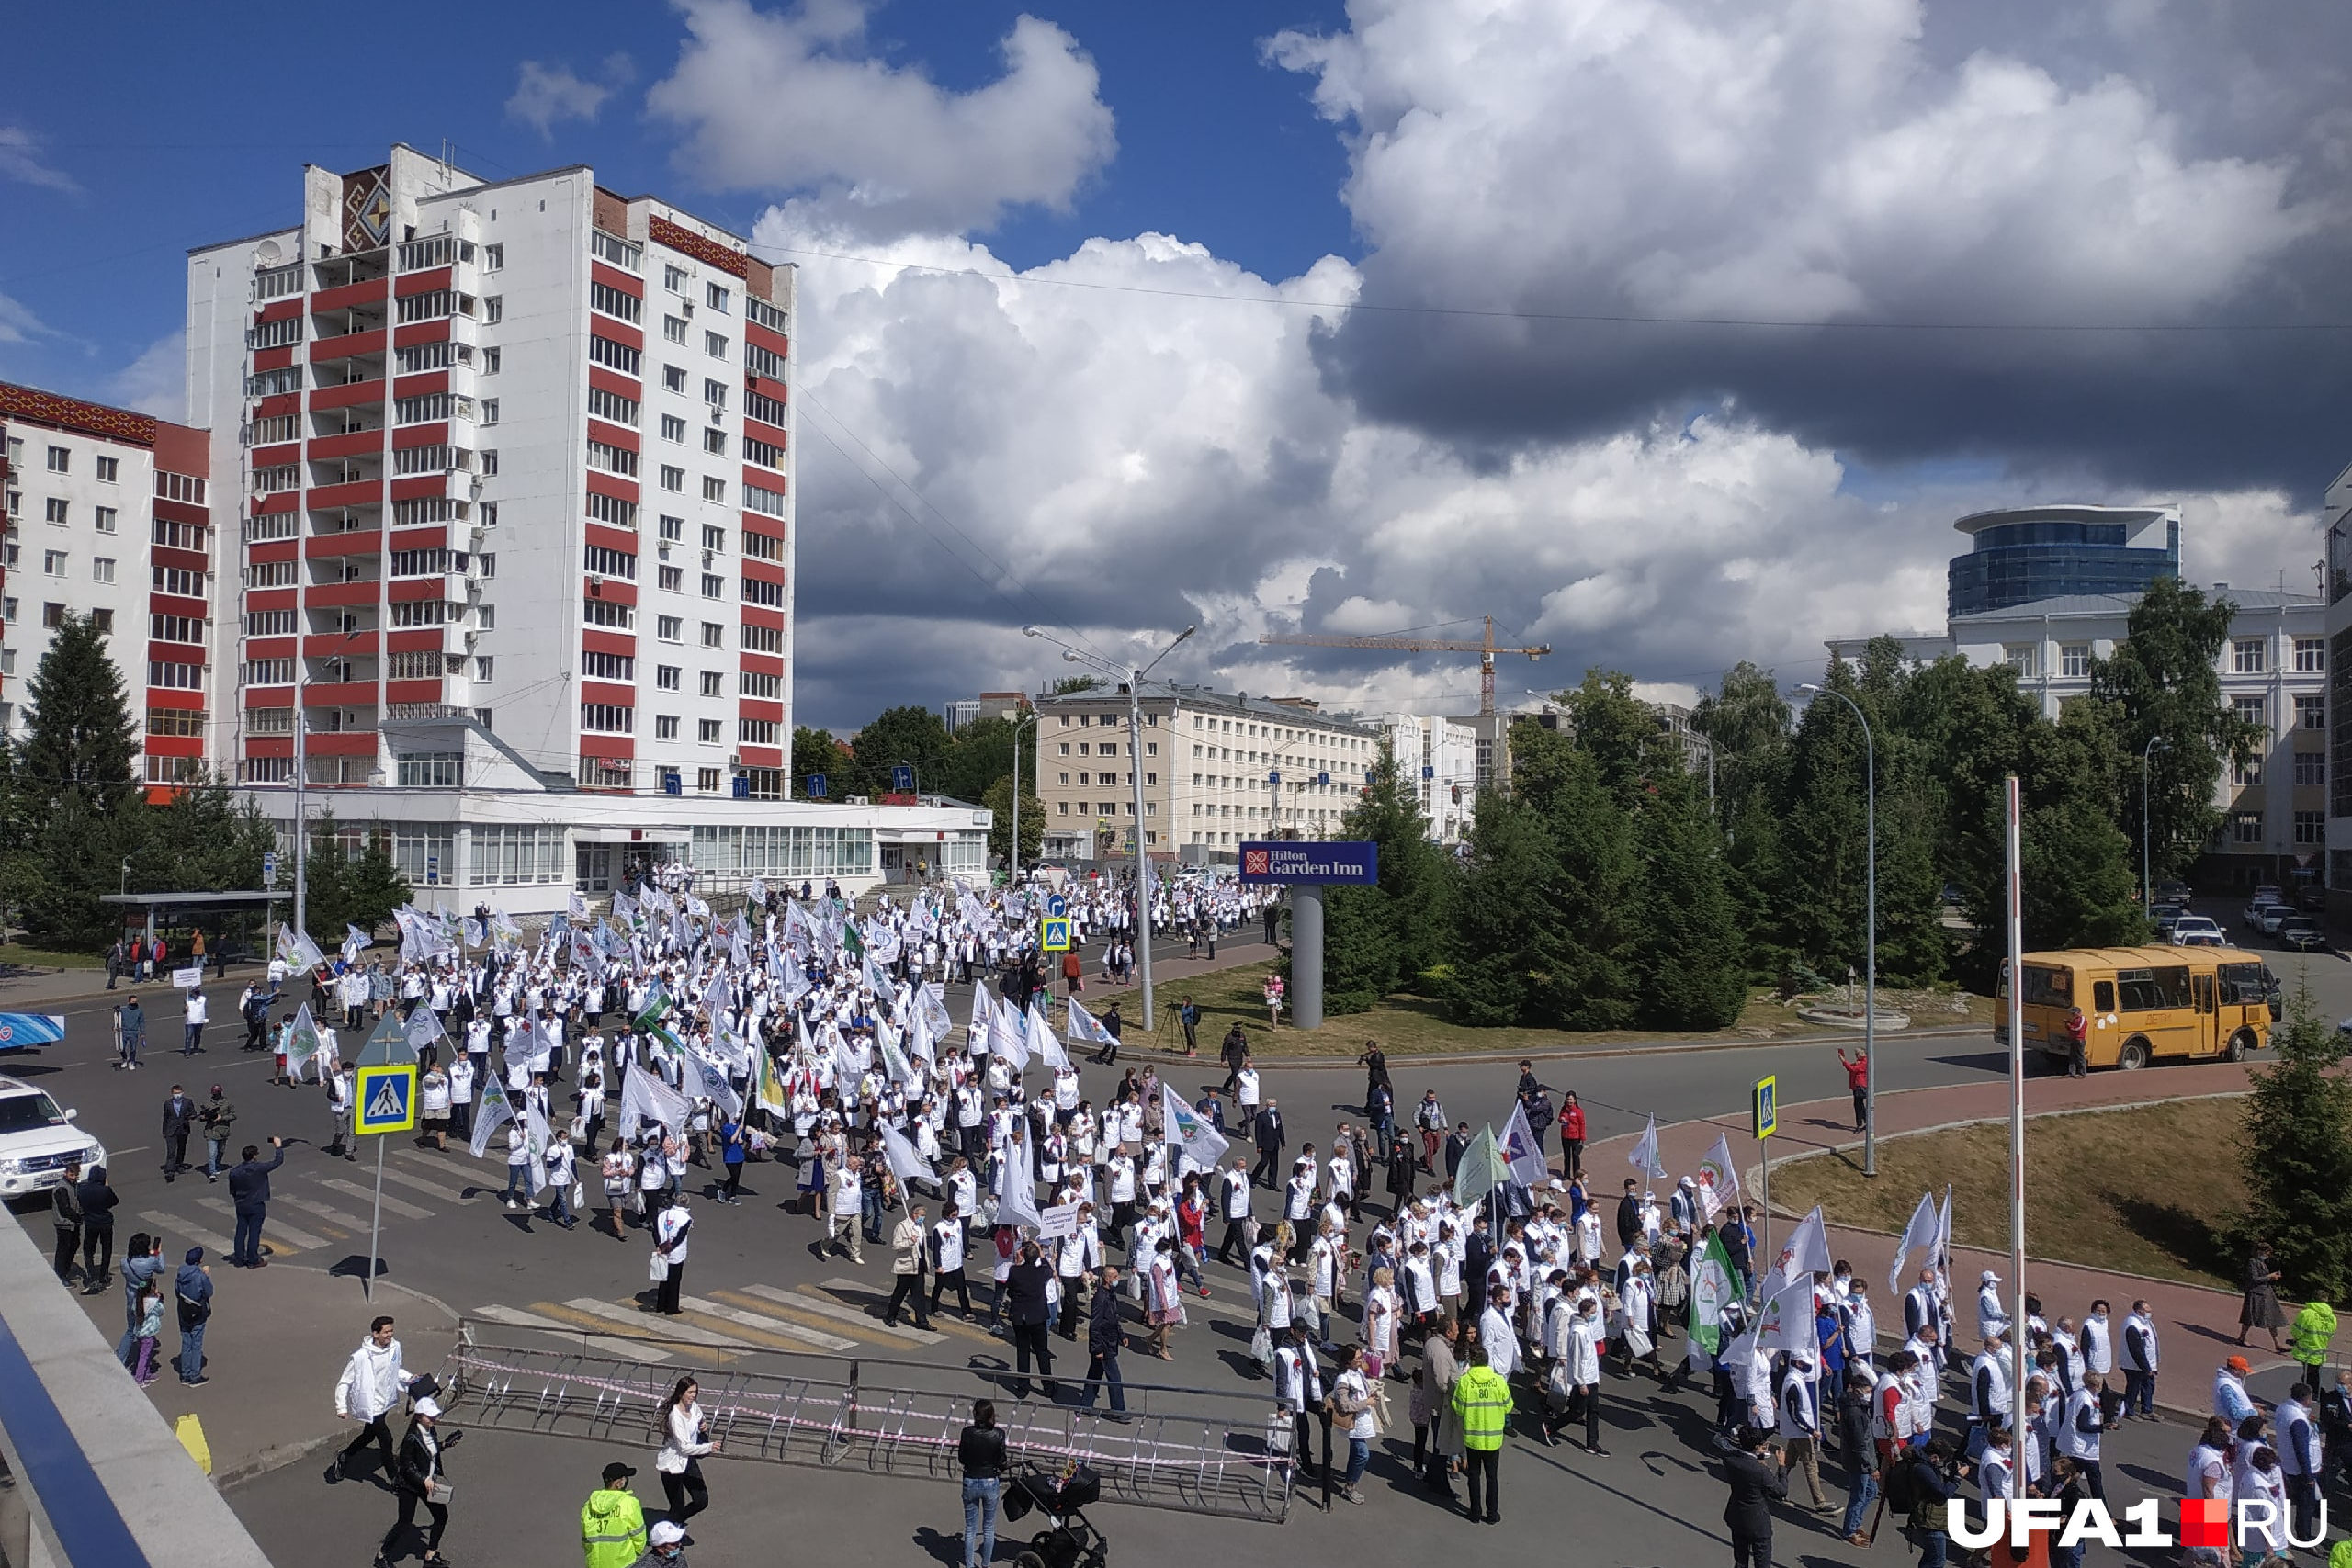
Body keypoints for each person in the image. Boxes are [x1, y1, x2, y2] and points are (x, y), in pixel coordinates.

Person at [331, 1315, 416, 1483]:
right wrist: (341, 1407)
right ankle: (394, 1478)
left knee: (369, 1435)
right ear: (375, 1334)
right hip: (371, 1406)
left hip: (385, 1402)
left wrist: (410, 1378)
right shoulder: (361, 1357)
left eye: (392, 1331)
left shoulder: (395, 1347)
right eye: (386, 1332)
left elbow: (396, 1370)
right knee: (386, 1440)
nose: (390, 1335)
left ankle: (344, 1455)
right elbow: (344, 1382)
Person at [377, 1394, 456, 1568]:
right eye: (430, 1416)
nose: (433, 1419)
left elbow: (429, 1451)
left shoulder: (430, 1430)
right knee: (405, 1522)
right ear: (419, 1416)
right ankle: (382, 1555)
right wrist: (424, 1479)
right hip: (410, 1487)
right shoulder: (411, 1439)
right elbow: (406, 1467)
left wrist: (444, 1444)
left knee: (441, 1517)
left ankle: (430, 1555)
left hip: (428, 1485)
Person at [1452, 1335, 1513, 1523]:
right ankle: (1492, 1513)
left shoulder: (1465, 1382)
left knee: (1474, 1476)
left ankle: (1475, 1512)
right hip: (1494, 1438)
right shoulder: (1498, 1381)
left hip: (1473, 1437)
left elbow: (1458, 1407)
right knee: (1492, 1477)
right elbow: (1508, 1406)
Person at [653, 1375, 718, 1530]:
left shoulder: (693, 1406)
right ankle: (666, 1536)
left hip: (688, 1461)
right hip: (672, 1465)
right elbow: (684, 1447)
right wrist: (709, 1447)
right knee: (677, 1505)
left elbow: (700, 1418)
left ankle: (674, 1524)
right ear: (681, 1393)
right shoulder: (675, 1417)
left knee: (701, 1500)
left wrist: (704, 1425)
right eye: (690, 1392)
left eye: (695, 1392)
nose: (693, 1395)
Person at [1723, 1424, 1787, 1568]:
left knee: (1740, 1562)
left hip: (1737, 1516)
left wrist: (1759, 1456)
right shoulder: (1761, 1471)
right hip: (1758, 1523)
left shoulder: (1730, 1460)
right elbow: (1781, 1491)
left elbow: (1749, 1464)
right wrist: (1781, 1465)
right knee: (1762, 1563)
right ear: (1758, 1446)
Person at [1005, 1238, 1057, 1398]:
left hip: (1020, 1316)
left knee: (1023, 1351)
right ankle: (1048, 1386)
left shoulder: (1015, 1271)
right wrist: (1042, 1255)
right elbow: (1050, 1270)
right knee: (1041, 1351)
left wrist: (1018, 1262)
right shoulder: (1041, 1271)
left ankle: (1023, 1387)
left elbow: (1010, 1290)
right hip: (1037, 1316)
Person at [957, 1400, 1006, 1568]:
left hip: (970, 1479)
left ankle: (969, 1565)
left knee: (970, 1528)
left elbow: (962, 1458)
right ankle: (986, 1565)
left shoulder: (967, 1433)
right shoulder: (998, 1435)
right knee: (989, 1527)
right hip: (990, 1481)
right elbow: (1002, 1462)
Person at [225, 1137, 287, 1267]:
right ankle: (253, 1259)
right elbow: (278, 1161)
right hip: (256, 1204)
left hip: (241, 1204)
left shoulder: (234, 1172)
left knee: (241, 1230)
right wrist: (278, 1147)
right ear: (254, 1156)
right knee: (254, 1232)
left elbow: (232, 1190)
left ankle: (239, 1257)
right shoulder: (258, 1168)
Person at [582, 1461, 649, 1568]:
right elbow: (639, 1535)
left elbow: (585, 1536)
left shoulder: (589, 1504)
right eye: (625, 1478)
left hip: (595, 1563)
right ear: (619, 1483)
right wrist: (636, 1552)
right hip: (623, 1563)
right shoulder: (629, 1503)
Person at [1083, 1262, 1128, 1416]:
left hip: (1109, 1341)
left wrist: (1121, 1335)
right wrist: (1097, 1348)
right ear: (1107, 1279)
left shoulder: (1110, 1295)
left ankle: (1085, 1405)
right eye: (1115, 1277)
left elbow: (1113, 1318)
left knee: (1094, 1375)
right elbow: (1095, 1324)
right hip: (1104, 1344)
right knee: (1114, 1378)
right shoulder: (1101, 1298)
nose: (1118, 1279)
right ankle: (1118, 1411)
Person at [884, 1201, 932, 1330]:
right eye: (921, 1215)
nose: (923, 1217)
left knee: (919, 1295)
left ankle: (922, 1321)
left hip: (919, 1265)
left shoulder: (921, 1227)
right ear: (914, 1215)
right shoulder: (902, 1227)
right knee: (900, 1293)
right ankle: (890, 1316)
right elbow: (896, 1245)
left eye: (924, 1215)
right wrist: (909, 1242)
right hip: (907, 1266)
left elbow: (923, 1246)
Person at [2238, 1240, 2287, 1353]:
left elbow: (2263, 1277)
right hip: (2255, 1292)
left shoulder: (2263, 1263)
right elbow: (2254, 1279)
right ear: (2259, 1251)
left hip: (2266, 1293)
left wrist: (2273, 1277)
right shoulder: (2252, 1262)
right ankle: (2242, 1337)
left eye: (2268, 1253)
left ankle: (2277, 1343)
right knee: (2250, 1316)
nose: (2267, 1255)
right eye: (2266, 1252)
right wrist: (2270, 1277)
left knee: (2271, 1317)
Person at [173, 1247, 212, 1386]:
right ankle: (195, 1375)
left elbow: (177, 1291)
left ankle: (185, 1374)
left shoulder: (180, 1273)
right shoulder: (200, 1276)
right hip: (197, 1312)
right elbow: (209, 1292)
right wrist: (207, 1276)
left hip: (183, 1311)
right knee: (196, 1343)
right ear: (199, 1260)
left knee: (186, 1342)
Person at [77, 1165, 118, 1291]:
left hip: (90, 1223)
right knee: (106, 1249)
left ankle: (91, 1277)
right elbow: (114, 1201)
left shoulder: (82, 1190)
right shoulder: (105, 1190)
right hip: (105, 1223)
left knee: (88, 1250)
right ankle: (103, 1277)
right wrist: (106, 1187)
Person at [652, 1192, 692, 1316]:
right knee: (674, 1280)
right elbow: (680, 1237)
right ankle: (671, 1307)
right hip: (676, 1253)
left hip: (662, 1250)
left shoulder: (663, 1214)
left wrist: (660, 1245)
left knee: (663, 1278)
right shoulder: (685, 1218)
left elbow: (655, 1232)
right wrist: (670, 1248)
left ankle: (660, 1305)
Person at [2290, 1297, 2336, 1393]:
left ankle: (2314, 1396)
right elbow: (2330, 1336)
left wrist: (2296, 1340)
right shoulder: (2332, 1318)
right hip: (2320, 1353)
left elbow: (2296, 1332)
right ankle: (2316, 1395)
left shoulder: (2306, 1314)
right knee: (2313, 1375)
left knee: (2308, 1377)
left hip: (2305, 1352)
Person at [50, 1159, 83, 1284]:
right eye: (72, 1175)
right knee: (64, 1249)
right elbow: (65, 1209)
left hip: (72, 1223)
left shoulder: (73, 1185)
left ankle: (64, 1271)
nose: (74, 1177)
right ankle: (60, 1274)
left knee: (73, 1245)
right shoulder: (61, 1188)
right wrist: (79, 1218)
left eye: (76, 1175)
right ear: (66, 1173)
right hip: (64, 1224)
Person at [160, 1084, 196, 1179]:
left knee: (181, 1148)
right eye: (175, 1093)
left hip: (183, 1129)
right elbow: (166, 1117)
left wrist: (190, 1116)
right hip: (171, 1130)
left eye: (179, 1093)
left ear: (182, 1092)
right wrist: (164, 1130)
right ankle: (170, 1170)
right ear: (172, 1094)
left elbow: (193, 1113)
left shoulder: (188, 1102)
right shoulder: (168, 1104)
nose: (177, 1095)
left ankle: (179, 1164)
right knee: (171, 1151)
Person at [199, 1085, 235, 1180]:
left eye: (218, 1092)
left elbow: (233, 1115)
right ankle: (212, 1172)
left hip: (222, 1131)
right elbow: (201, 1116)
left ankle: (217, 1164)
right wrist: (205, 1117)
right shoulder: (207, 1103)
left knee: (221, 1151)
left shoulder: (227, 1103)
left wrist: (222, 1118)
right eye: (215, 1093)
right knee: (212, 1153)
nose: (216, 1094)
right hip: (211, 1131)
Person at [1836, 1045, 1871, 1130]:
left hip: (1860, 1086)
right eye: (1855, 1053)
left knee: (1858, 1105)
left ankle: (1860, 1124)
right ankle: (1865, 1122)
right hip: (1856, 1086)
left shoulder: (1864, 1062)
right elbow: (1850, 1068)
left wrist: (1843, 1060)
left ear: (1863, 1053)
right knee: (1859, 1105)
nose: (1856, 1055)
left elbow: (1852, 1069)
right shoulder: (1859, 1062)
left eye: (1857, 1053)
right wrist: (1844, 1060)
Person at [2063, 1005, 2089, 1077]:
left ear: (2078, 1013)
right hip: (2073, 1039)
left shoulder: (2082, 1019)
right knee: (2072, 1057)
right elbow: (2071, 1028)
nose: (2072, 1014)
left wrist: (2070, 1027)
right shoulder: (2075, 1019)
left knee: (2080, 1057)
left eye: (2074, 1013)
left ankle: (2083, 1073)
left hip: (2079, 1040)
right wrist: (2067, 1024)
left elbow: (2078, 1028)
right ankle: (2072, 1072)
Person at [182, 986, 208, 1056]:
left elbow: (205, 1008)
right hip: (190, 1022)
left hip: (199, 1020)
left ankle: (196, 1048)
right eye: (196, 990)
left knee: (198, 1035)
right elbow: (184, 1012)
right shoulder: (187, 1000)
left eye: (198, 990)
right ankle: (187, 1051)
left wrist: (205, 1018)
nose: (198, 991)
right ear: (192, 991)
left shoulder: (203, 999)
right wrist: (185, 1008)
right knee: (189, 1036)